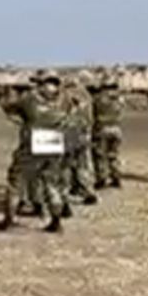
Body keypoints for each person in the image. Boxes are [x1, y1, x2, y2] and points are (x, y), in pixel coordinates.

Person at [0, 71, 69, 233]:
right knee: (51, 183)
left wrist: (8, 92)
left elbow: (9, 108)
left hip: (32, 144)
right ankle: (56, 221)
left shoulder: (30, 99)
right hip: (55, 143)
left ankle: (8, 219)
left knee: (16, 182)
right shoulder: (64, 100)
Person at [62, 75, 98, 205]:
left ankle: (65, 192)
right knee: (84, 163)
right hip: (85, 132)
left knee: (66, 164)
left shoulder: (66, 96)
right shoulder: (86, 95)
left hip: (71, 132)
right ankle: (88, 190)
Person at [90, 73, 124, 189]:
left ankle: (102, 179)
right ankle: (116, 177)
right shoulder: (120, 98)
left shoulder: (98, 98)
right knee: (114, 155)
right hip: (117, 128)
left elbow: (93, 112)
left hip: (102, 128)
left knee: (100, 156)